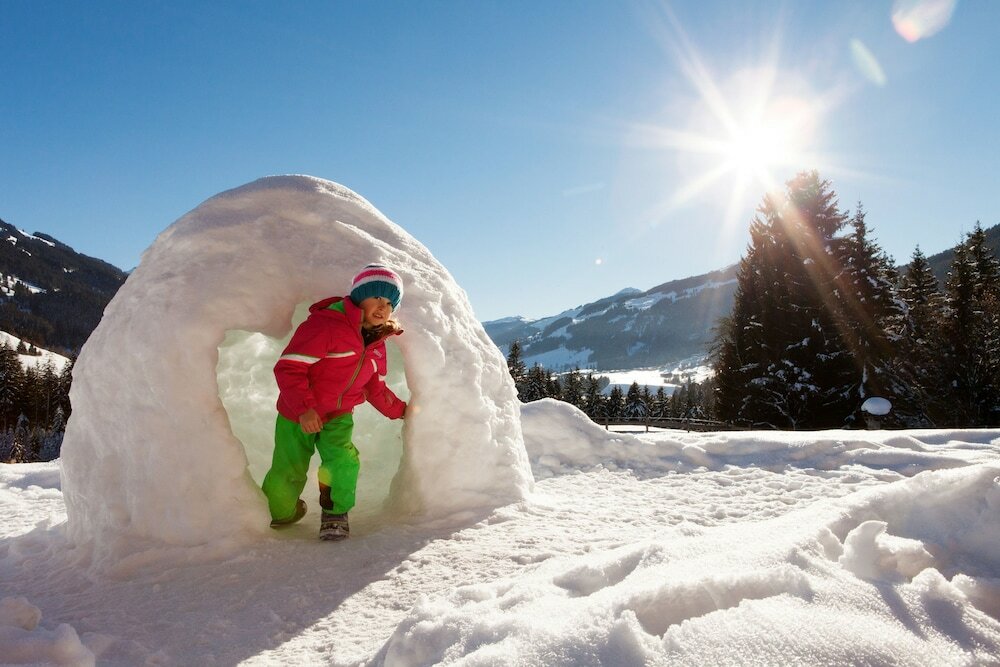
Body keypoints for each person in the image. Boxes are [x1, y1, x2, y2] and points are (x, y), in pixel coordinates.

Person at [262, 264, 407, 541]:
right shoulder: (326, 325)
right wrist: (305, 409)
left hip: (338, 414)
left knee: (342, 459)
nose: (383, 306)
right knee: (288, 467)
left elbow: (375, 387)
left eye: (390, 302)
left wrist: (401, 411)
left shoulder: (377, 342)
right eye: (376, 296)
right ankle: (279, 513)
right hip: (297, 414)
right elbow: (289, 368)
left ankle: (335, 514)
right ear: (358, 297)